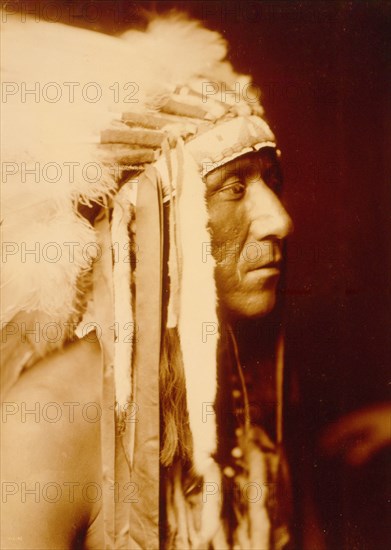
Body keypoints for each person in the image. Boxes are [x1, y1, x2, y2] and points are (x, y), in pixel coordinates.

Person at [1, 10, 293, 550]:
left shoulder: (244, 386)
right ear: (140, 224)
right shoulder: (41, 426)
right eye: (234, 187)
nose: (279, 219)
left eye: (270, 180)